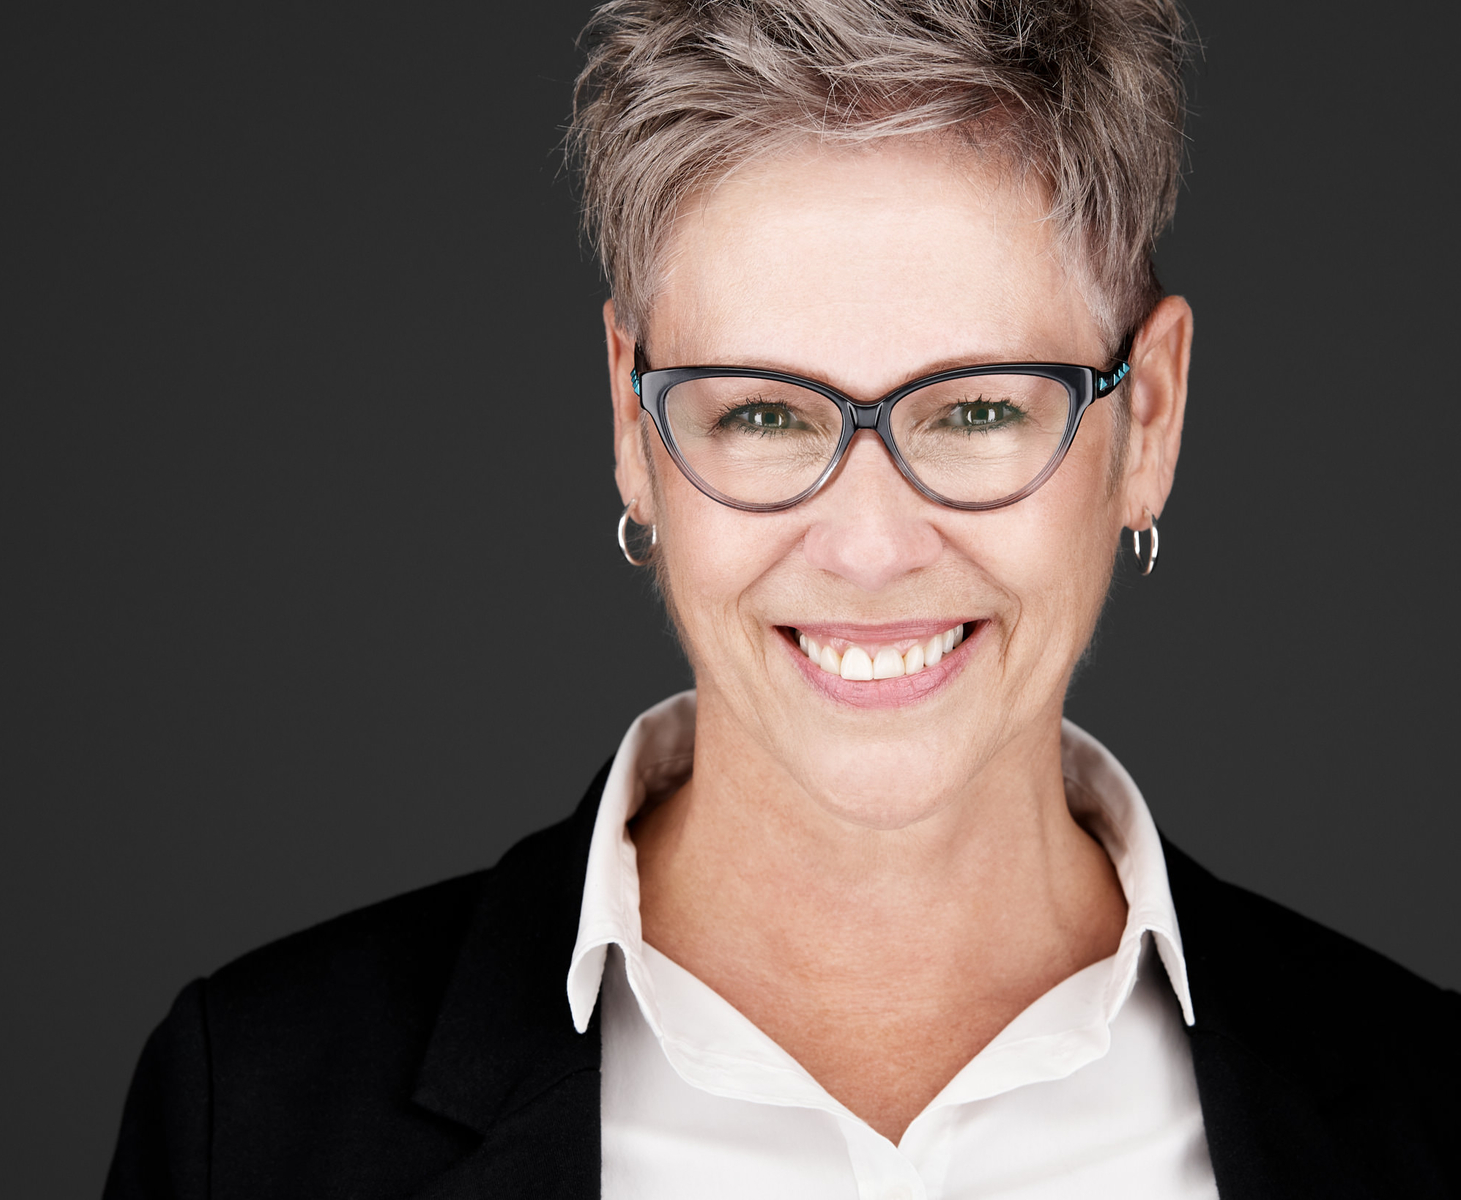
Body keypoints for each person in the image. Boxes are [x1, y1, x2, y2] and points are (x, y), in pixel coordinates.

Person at [104, 1, 1458, 1196]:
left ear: (1145, 418)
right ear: (633, 424)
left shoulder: (1427, 1112)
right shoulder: (254, 1119)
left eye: (977, 409)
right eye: (761, 413)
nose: (868, 547)